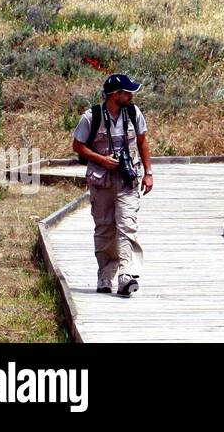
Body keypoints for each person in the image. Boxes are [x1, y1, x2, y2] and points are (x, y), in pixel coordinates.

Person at [71, 73, 154, 296]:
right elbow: (77, 146)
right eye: (127, 92)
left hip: (128, 179)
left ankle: (126, 276)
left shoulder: (134, 113)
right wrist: (102, 159)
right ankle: (105, 276)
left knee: (127, 226)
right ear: (115, 95)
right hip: (101, 181)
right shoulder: (91, 117)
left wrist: (148, 173)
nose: (131, 95)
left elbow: (143, 142)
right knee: (105, 229)